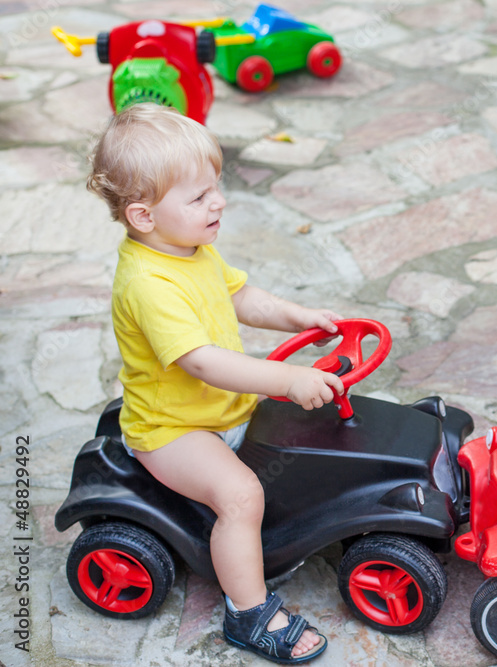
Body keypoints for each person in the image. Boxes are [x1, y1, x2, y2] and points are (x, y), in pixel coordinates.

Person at [87, 103, 345, 664]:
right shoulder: (149, 283)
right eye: (200, 196)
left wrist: (298, 317)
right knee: (241, 495)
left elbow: (240, 296)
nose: (219, 202)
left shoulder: (189, 247)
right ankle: (248, 613)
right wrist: (285, 379)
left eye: (216, 188)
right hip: (174, 430)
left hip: (223, 411)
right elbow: (202, 362)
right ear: (143, 216)